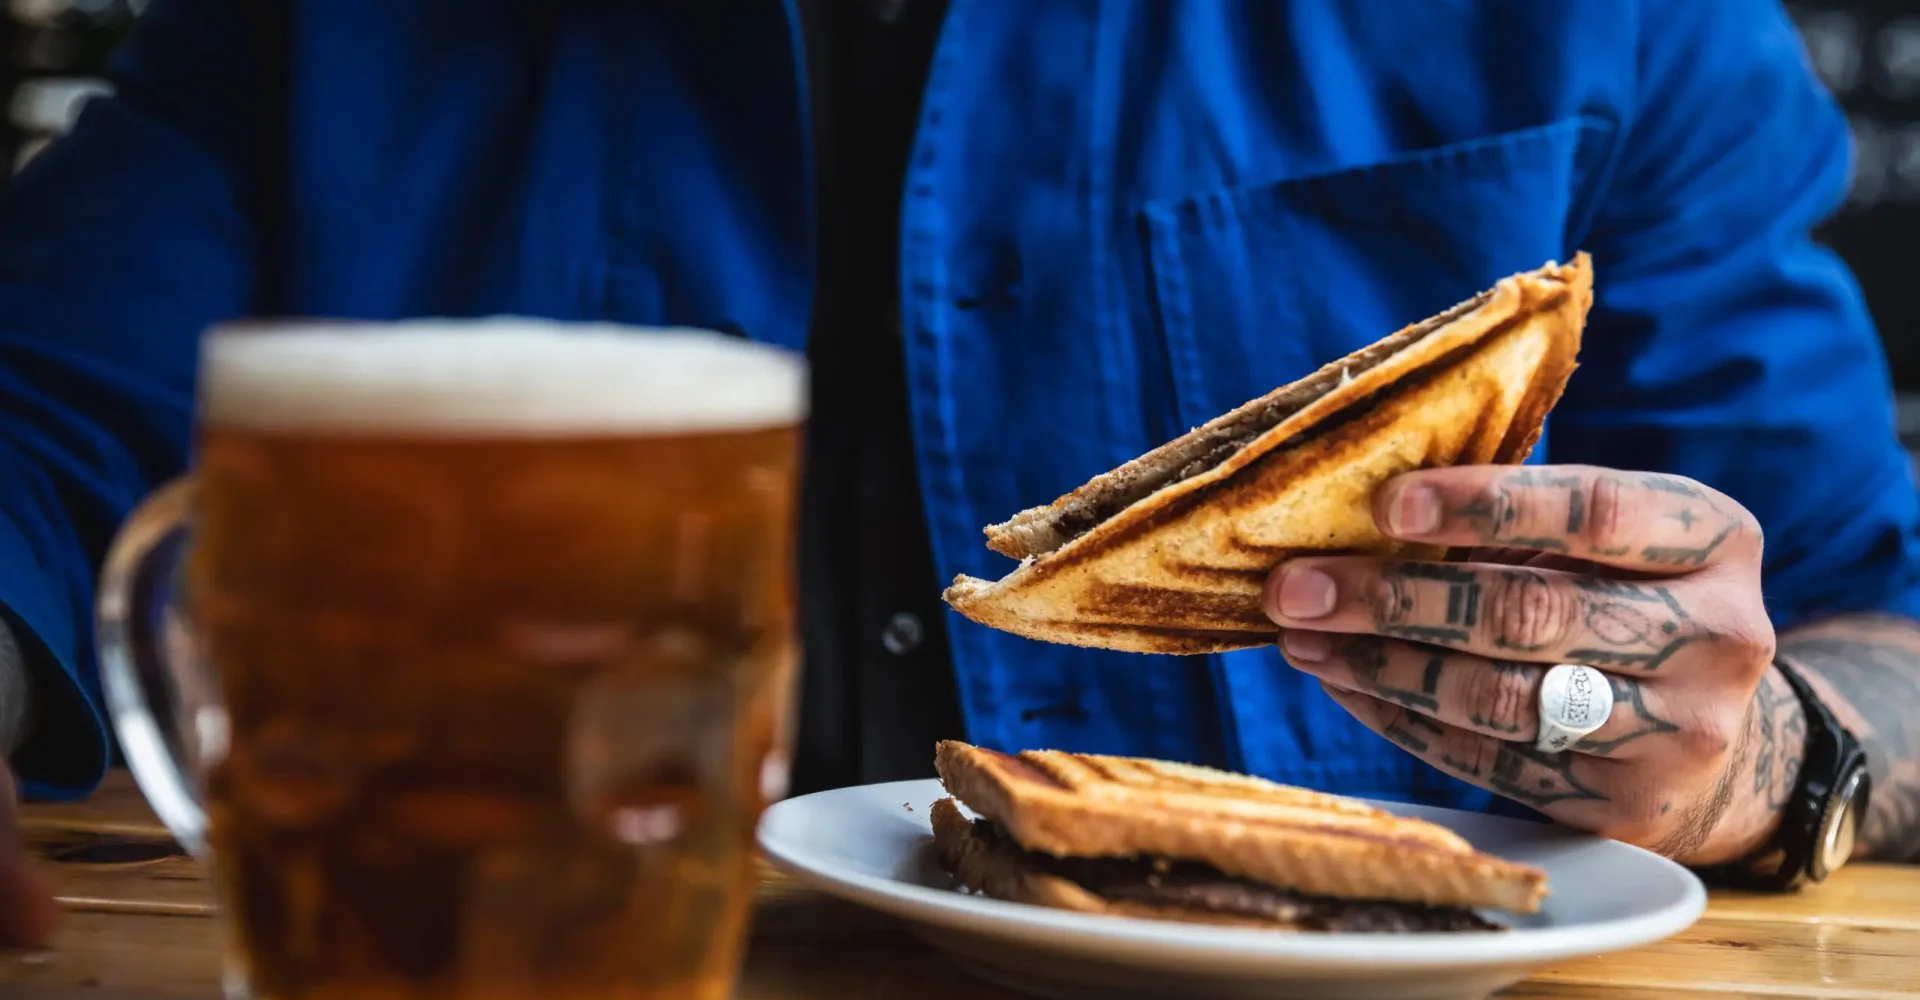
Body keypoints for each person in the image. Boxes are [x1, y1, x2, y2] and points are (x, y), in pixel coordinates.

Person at [5, 0, 1920, 946]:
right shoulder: (307, 29)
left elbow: (1878, 609)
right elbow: (42, 434)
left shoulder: (1621, 15)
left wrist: (1771, 760)